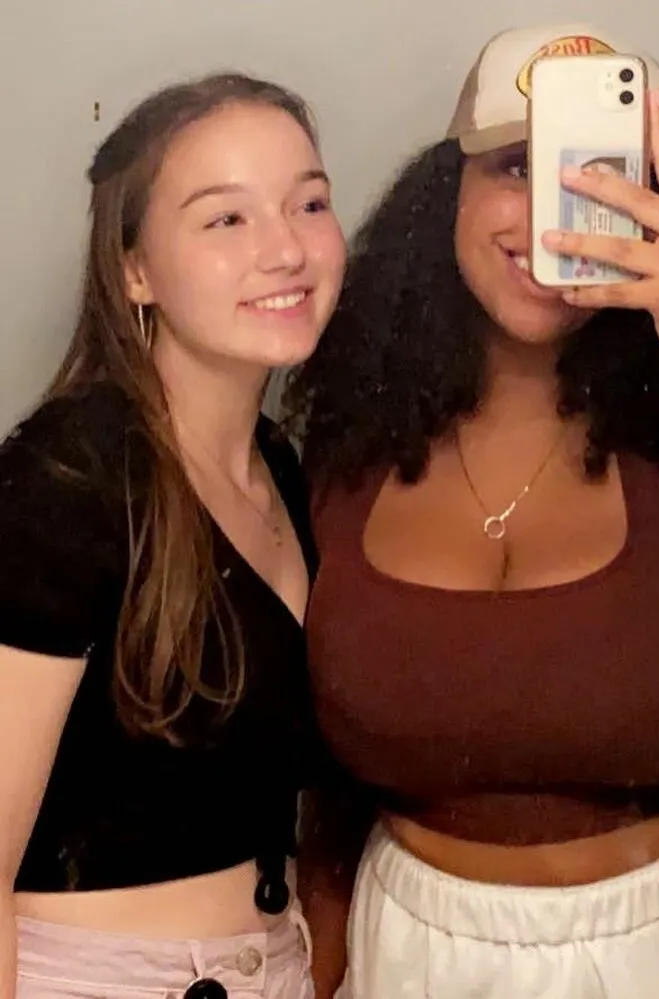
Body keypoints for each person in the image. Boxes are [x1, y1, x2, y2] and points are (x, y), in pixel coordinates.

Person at [286, 23, 659, 999]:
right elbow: (320, 795)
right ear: (449, 193)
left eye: (599, 173)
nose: (551, 210)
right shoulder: (347, 437)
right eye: (513, 168)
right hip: (418, 955)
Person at [0, 71, 345, 999]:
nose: (285, 249)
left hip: (274, 966)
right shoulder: (67, 478)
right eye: (226, 219)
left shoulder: (284, 468)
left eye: (309, 204)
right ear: (135, 271)